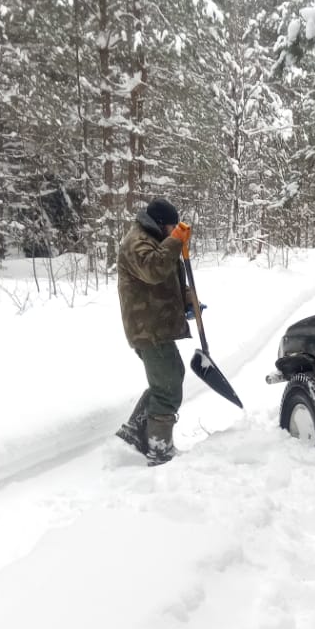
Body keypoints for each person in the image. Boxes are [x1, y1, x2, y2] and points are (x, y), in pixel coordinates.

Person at [114, 198, 196, 466]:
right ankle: (159, 449)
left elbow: (167, 278)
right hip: (148, 329)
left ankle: (135, 431)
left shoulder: (152, 239)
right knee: (168, 388)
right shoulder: (137, 242)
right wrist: (175, 242)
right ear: (160, 224)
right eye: (171, 227)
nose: (173, 231)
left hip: (156, 325)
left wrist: (188, 301)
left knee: (170, 378)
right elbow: (153, 270)